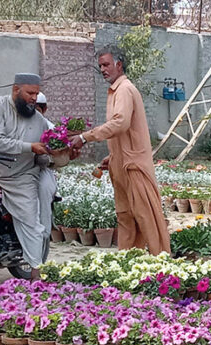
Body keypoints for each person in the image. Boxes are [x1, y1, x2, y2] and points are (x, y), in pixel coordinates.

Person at [70, 45, 170, 255]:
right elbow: (124, 132)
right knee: (125, 216)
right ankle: (129, 260)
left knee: (146, 216)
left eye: (106, 64)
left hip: (134, 166)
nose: (103, 69)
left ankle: (162, 263)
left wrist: (84, 137)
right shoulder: (115, 90)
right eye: (100, 66)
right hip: (121, 164)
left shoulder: (125, 89)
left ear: (119, 64)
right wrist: (112, 156)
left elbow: (121, 123)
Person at [0, 73, 51, 279]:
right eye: (30, 93)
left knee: (30, 221)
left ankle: (35, 273)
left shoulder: (40, 122)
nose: (34, 98)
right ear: (16, 90)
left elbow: (52, 147)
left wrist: (67, 149)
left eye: (37, 93)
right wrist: (30, 147)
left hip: (20, 176)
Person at [34, 92, 59, 239]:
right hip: (19, 171)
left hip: (42, 170)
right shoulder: (17, 124)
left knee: (44, 189)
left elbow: (59, 157)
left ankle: (43, 236)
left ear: (44, 109)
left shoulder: (50, 129)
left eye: (37, 108)